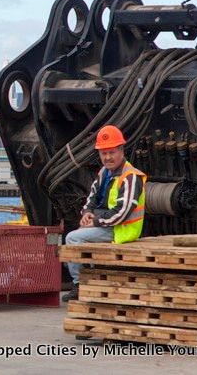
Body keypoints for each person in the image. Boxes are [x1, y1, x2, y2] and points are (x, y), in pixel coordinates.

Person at [61, 125, 147, 302]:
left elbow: (122, 213)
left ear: (121, 151)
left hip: (121, 229)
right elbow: (92, 197)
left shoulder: (130, 177)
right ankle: (91, 280)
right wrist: (87, 213)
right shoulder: (104, 173)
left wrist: (96, 222)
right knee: (80, 232)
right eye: (103, 153)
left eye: (111, 152)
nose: (107, 157)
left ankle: (79, 285)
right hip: (107, 225)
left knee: (72, 238)